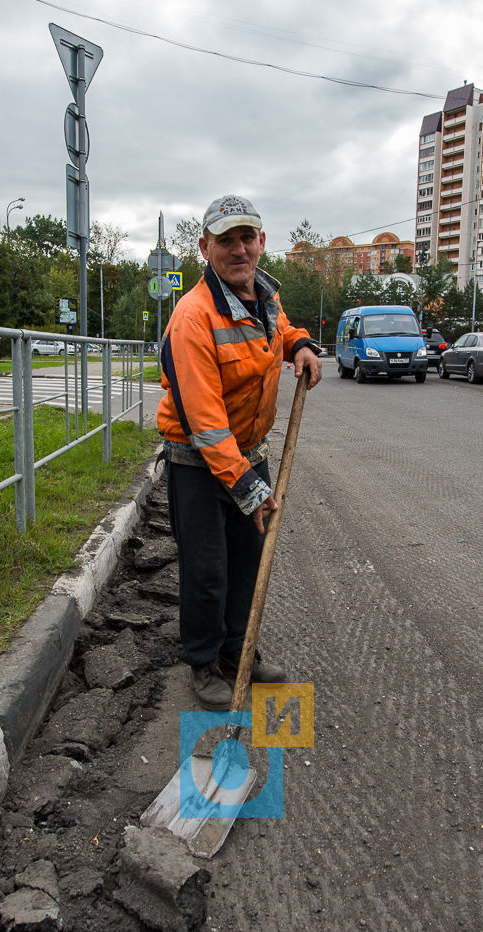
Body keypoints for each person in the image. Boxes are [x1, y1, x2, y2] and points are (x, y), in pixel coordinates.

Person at [157, 195, 323, 710]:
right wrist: (248, 487)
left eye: (247, 237)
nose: (239, 249)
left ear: (262, 242)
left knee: (249, 563)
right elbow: (204, 424)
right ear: (205, 247)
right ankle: (204, 664)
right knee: (208, 571)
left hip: (249, 452)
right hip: (200, 464)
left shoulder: (265, 296)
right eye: (226, 240)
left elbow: (280, 330)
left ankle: (238, 655)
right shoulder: (192, 317)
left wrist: (299, 345)